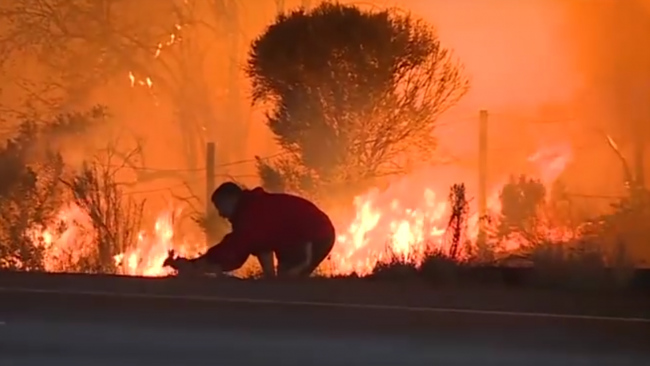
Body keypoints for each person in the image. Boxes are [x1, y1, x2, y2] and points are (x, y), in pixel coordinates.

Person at [164, 182, 336, 278]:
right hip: (306, 235)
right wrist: (269, 277)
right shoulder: (252, 210)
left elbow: (233, 250)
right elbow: (262, 246)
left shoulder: (251, 214)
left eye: (220, 206)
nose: (220, 214)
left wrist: (195, 266)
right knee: (282, 282)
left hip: (315, 235)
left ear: (231, 199)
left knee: (287, 282)